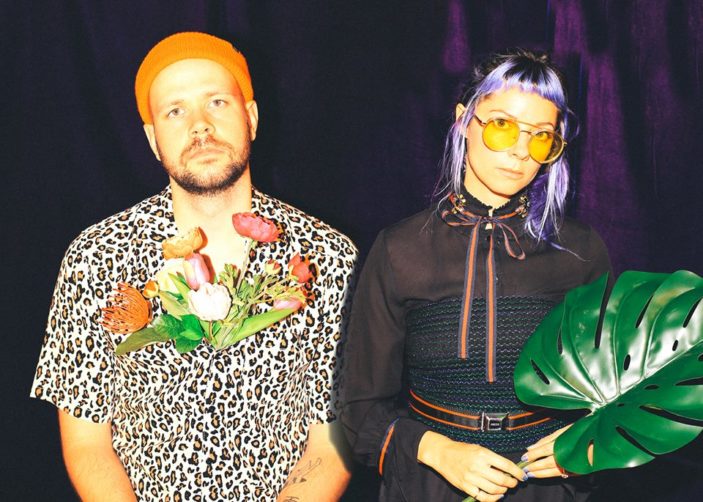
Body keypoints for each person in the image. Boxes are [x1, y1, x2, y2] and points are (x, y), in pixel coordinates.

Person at [31, 32, 357, 501]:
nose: (200, 126)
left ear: (251, 117)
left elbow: (332, 442)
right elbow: (87, 443)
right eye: (175, 111)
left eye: (217, 102)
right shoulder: (95, 257)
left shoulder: (326, 258)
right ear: (152, 140)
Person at [341, 49, 611, 501]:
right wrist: (439, 451)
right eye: (502, 125)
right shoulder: (399, 249)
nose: (521, 151)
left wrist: (584, 442)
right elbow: (360, 408)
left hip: (546, 487)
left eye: (541, 137)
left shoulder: (580, 250)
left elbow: (614, 392)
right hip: (429, 485)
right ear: (464, 120)